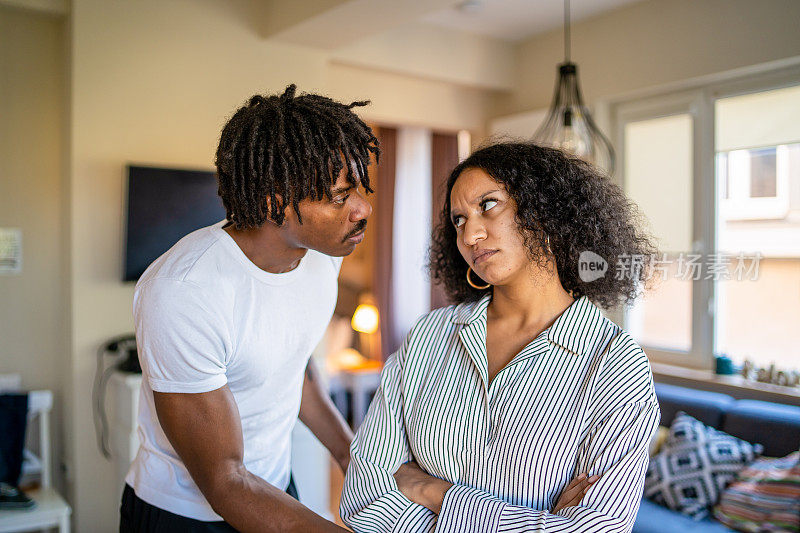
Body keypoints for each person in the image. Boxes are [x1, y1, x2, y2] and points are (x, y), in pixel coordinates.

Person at [340, 142, 661, 532]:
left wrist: (437, 494)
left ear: (544, 210)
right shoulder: (428, 337)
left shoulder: (615, 363)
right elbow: (363, 498)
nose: (470, 234)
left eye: (488, 205)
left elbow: (596, 529)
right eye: (458, 220)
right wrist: (542, 521)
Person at [121, 84, 380, 532]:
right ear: (274, 200)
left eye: (359, 187)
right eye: (340, 195)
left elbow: (292, 369)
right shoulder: (183, 292)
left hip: (275, 488)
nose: (363, 208)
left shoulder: (321, 259)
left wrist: (351, 454)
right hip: (186, 514)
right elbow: (225, 480)